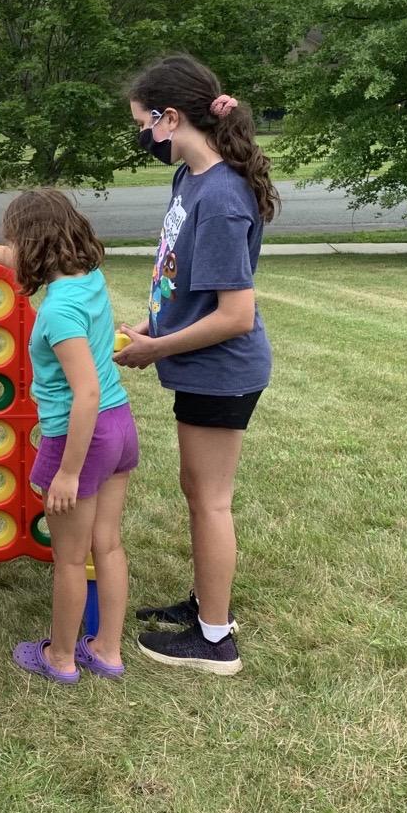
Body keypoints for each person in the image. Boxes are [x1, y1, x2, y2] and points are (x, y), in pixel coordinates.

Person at [115, 54, 279, 675]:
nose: (142, 136)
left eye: (143, 123)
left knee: (210, 500)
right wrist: (153, 323)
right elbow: (184, 283)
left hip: (224, 370)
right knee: (195, 490)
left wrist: (157, 348)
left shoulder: (223, 197)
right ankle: (204, 602)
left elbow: (235, 313)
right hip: (200, 365)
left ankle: (214, 640)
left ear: (172, 116)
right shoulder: (191, 180)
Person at [0, 190, 138, 684]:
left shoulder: (56, 313)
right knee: (107, 546)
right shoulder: (88, 279)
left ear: (32, 246)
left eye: (12, 242)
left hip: (80, 436)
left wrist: (68, 471)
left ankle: (61, 657)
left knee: (70, 558)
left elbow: (84, 393)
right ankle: (108, 651)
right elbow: (21, 258)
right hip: (120, 427)